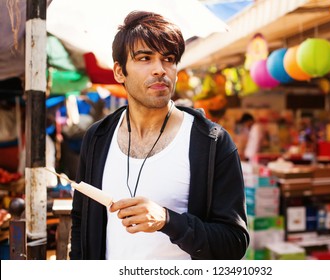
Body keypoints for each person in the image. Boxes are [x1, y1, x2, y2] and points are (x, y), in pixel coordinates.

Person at [70, 10, 249, 260]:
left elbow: (234, 243)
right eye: (145, 58)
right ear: (120, 71)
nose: (160, 70)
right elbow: (81, 219)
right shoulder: (98, 138)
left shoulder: (211, 142)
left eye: (169, 58)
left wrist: (167, 220)